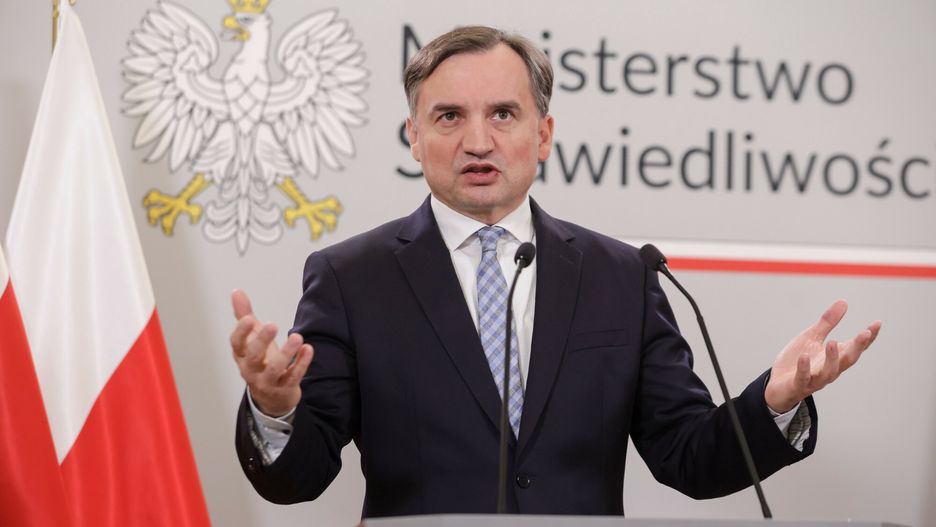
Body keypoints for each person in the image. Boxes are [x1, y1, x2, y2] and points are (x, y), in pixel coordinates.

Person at [231, 26, 881, 517]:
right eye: (449, 116)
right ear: (414, 137)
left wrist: (774, 402)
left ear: (542, 135)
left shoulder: (621, 275)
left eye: (503, 114)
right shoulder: (352, 277)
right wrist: (276, 408)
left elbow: (689, 455)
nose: (478, 141)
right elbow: (299, 478)